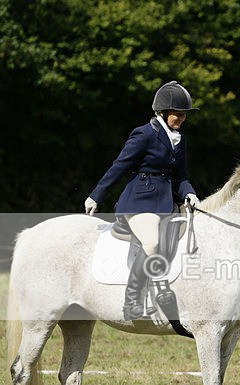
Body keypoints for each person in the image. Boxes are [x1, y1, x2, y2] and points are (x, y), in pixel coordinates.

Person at [84, 80, 200, 320]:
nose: (180, 119)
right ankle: (132, 303)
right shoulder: (144, 134)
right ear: (162, 112)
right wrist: (96, 195)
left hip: (167, 202)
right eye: (177, 114)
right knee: (151, 242)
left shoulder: (180, 139)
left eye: (184, 115)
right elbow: (120, 165)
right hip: (140, 202)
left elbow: (181, 175)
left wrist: (189, 192)